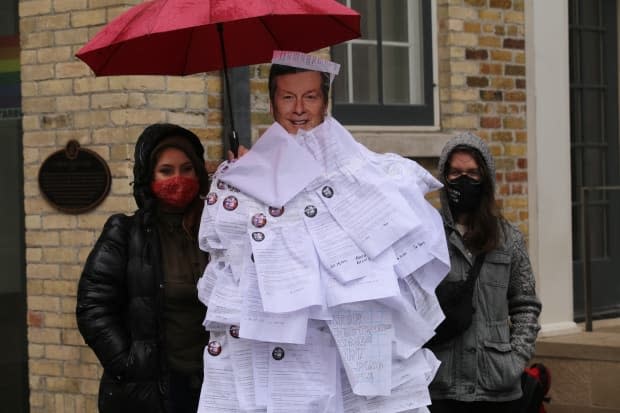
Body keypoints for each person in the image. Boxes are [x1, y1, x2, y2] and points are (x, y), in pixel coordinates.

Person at [197, 51, 451, 412]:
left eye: (310, 97)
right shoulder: (244, 174)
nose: (299, 109)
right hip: (284, 346)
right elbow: (224, 258)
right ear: (271, 104)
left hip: (353, 338)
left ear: (326, 102)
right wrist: (241, 180)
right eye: (288, 97)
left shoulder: (365, 169)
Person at [76, 123, 211, 413]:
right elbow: (93, 307)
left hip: (217, 380)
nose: (179, 178)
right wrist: (128, 363)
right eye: (166, 171)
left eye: (187, 169)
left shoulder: (218, 230)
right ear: (148, 177)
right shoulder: (125, 234)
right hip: (154, 390)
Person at [427, 132, 542, 413]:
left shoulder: (508, 238)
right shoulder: (426, 234)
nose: (463, 180)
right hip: (441, 384)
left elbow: (526, 305)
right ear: (444, 177)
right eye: (454, 173)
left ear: (485, 178)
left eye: (471, 173)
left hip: (497, 390)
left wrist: (515, 361)